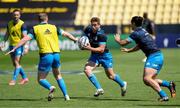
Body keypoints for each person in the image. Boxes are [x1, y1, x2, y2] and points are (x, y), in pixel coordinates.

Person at [6, 13, 78, 101]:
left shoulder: (35, 28)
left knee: (41, 79)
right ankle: (66, 96)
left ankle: (50, 87)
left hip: (46, 56)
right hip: (56, 55)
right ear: (47, 18)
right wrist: (75, 39)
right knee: (58, 76)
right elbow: (66, 34)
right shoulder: (54, 27)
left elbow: (25, 39)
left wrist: (15, 48)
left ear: (38, 20)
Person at [114, 16, 176, 101]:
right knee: (149, 80)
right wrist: (129, 51)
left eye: (131, 23)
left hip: (154, 57)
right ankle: (169, 84)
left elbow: (123, 43)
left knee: (147, 79)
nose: (130, 24)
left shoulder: (135, 33)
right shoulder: (143, 30)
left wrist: (118, 40)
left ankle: (164, 96)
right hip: (156, 56)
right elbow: (140, 45)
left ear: (134, 23)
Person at [82, 17, 127, 97]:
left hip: (105, 56)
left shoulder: (101, 35)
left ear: (99, 25)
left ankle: (123, 84)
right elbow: (83, 37)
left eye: (95, 25)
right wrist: (81, 42)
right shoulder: (88, 29)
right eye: (92, 25)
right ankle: (99, 89)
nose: (93, 27)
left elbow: (101, 49)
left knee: (111, 76)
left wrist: (88, 48)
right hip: (95, 55)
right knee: (87, 69)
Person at [2, 9, 29, 85]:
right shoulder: (9, 23)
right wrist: (3, 42)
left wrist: (26, 47)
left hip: (19, 46)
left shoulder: (23, 24)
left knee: (17, 63)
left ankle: (13, 80)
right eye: (14, 15)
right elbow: (7, 34)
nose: (15, 16)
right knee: (15, 64)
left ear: (20, 15)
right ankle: (25, 78)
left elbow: (25, 37)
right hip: (11, 45)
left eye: (17, 15)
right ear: (12, 15)